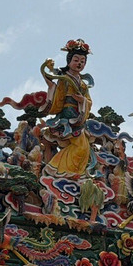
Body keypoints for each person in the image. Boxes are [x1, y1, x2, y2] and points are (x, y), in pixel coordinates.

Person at [40, 39, 94, 177]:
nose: (79, 63)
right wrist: (48, 69)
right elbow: (53, 87)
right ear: (69, 61)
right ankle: (58, 169)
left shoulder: (83, 84)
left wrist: (83, 101)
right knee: (81, 146)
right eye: (76, 60)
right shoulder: (64, 78)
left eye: (82, 61)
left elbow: (89, 101)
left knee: (84, 147)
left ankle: (71, 172)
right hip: (67, 116)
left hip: (78, 116)